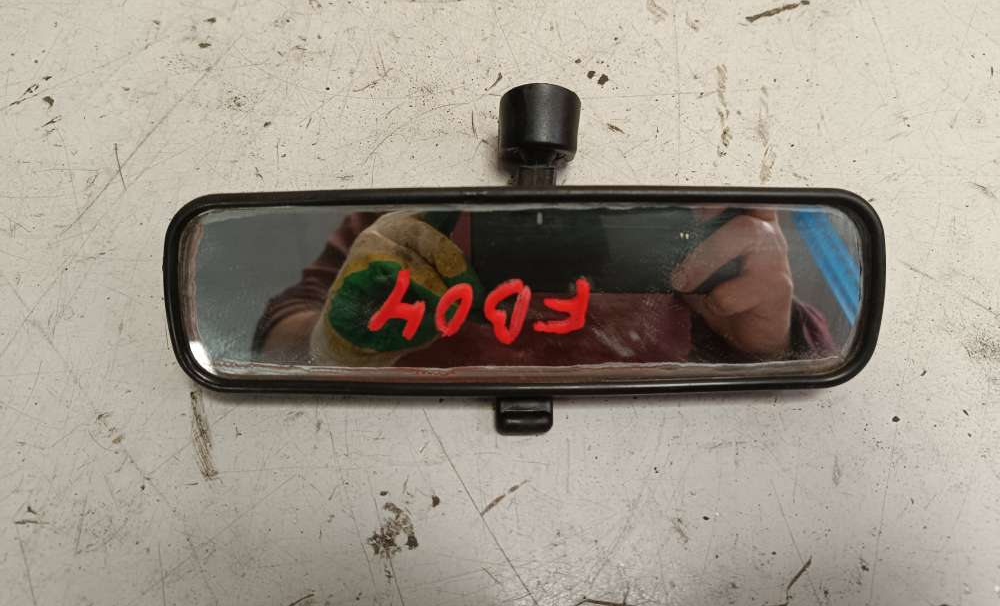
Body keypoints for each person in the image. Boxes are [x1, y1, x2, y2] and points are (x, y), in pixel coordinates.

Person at [252, 209, 834, 367]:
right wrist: (333, 339)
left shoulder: (694, 223)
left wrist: (771, 346)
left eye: (600, 216)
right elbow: (276, 339)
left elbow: (804, 401)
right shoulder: (410, 222)